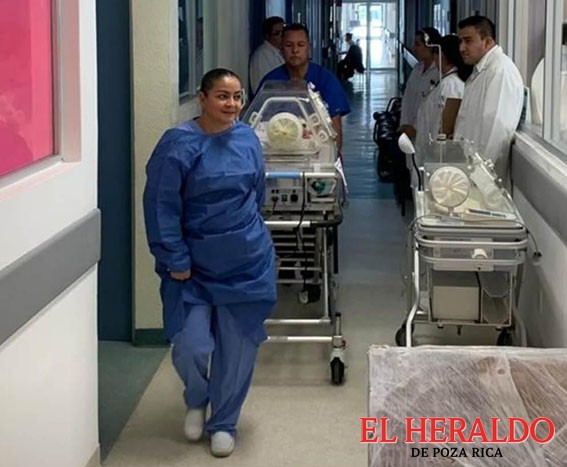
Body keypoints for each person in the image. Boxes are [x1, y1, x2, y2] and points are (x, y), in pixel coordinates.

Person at [143, 68, 277, 458]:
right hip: (192, 267)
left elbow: (256, 194)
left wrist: (242, 234)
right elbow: (161, 206)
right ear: (202, 99)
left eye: (237, 97)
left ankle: (224, 422)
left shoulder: (247, 139)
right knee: (191, 344)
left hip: (246, 262)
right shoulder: (178, 145)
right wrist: (175, 256)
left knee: (238, 348)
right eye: (222, 96)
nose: (231, 104)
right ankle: (197, 397)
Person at [257, 23, 351, 151]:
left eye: (300, 45)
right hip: (277, 150)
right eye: (289, 45)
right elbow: (259, 124)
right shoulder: (270, 81)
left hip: (317, 151)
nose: (295, 50)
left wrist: (334, 155)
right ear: (281, 49)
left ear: (308, 48)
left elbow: (335, 129)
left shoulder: (326, 80)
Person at [453, 15, 524, 180]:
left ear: (488, 42)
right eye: (460, 42)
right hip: (469, 171)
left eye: (468, 41)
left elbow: (495, 133)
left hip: (482, 178)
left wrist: (479, 179)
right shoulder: (481, 71)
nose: (462, 48)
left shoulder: (500, 71)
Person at [414, 34, 473, 169]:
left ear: (443, 56)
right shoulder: (447, 82)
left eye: (436, 54)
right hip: (431, 155)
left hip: (437, 158)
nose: (434, 59)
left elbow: (442, 125)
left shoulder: (451, 85)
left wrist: (435, 156)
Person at [399, 27, 442, 140]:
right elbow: (407, 99)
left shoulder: (439, 73)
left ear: (430, 46)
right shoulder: (417, 69)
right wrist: (404, 124)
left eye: (418, 44)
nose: (414, 48)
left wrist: (416, 128)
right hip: (408, 131)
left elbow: (435, 110)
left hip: (426, 133)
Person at [249, 16, 285, 94]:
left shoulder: (281, 52)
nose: (282, 36)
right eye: (277, 33)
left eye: (283, 32)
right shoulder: (261, 55)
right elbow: (262, 86)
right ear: (267, 36)